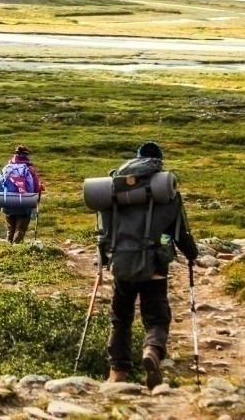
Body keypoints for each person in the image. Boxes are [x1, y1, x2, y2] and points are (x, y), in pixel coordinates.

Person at [99, 141, 197, 388]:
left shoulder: (117, 189)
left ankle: (118, 373)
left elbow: (105, 229)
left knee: (120, 318)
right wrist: (191, 253)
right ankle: (152, 351)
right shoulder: (166, 191)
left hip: (122, 262)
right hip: (154, 265)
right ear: (159, 163)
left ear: (137, 158)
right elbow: (178, 231)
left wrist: (103, 257)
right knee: (156, 316)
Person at [0, 145, 44, 244]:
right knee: (20, 229)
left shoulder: (7, 168)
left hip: (7, 201)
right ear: (26, 155)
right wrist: (39, 188)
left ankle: (8, 249)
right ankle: (16, 249)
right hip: (24, 201)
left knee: (10, 229)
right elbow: (35, 188)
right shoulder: (29, 169)